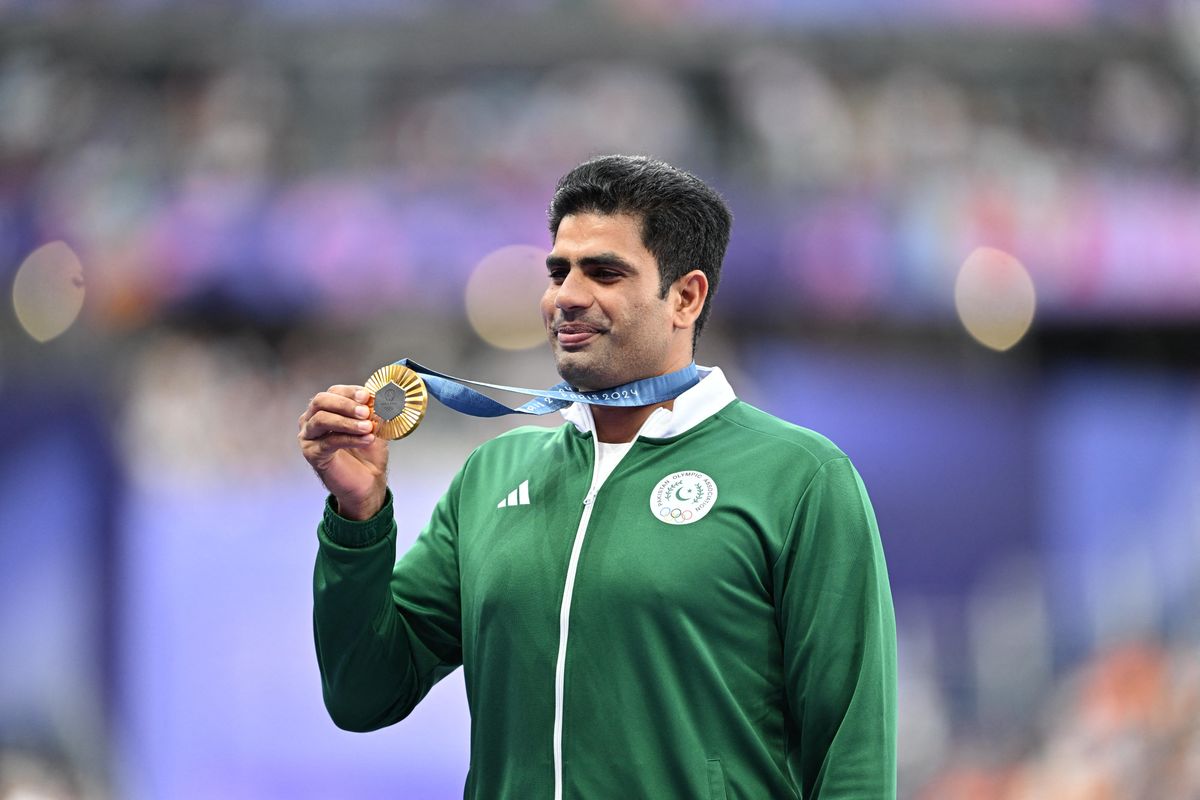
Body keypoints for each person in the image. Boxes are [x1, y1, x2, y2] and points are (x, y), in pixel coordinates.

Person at [297, 155, 897, 799]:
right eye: (558, 271)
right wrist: (357, 520)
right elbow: (364, 695)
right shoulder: (491, 474)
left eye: (604, 272)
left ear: (685, 297)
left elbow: (852, 753)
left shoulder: (799, 478)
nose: (566, 296)